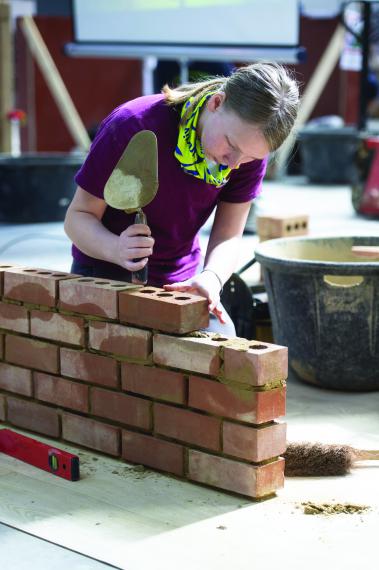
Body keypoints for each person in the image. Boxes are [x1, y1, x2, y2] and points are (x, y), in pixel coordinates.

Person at [64, 62, 299, 335]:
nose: (234, 164)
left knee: (223, 346)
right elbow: (77, 219)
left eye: (250, 157)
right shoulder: (133, 125)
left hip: (182, 282)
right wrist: (115, 248)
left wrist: (211, 278)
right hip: (104, 273)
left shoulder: (247, 151)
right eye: (231, 146)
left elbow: (228, 234)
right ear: (216, 103)